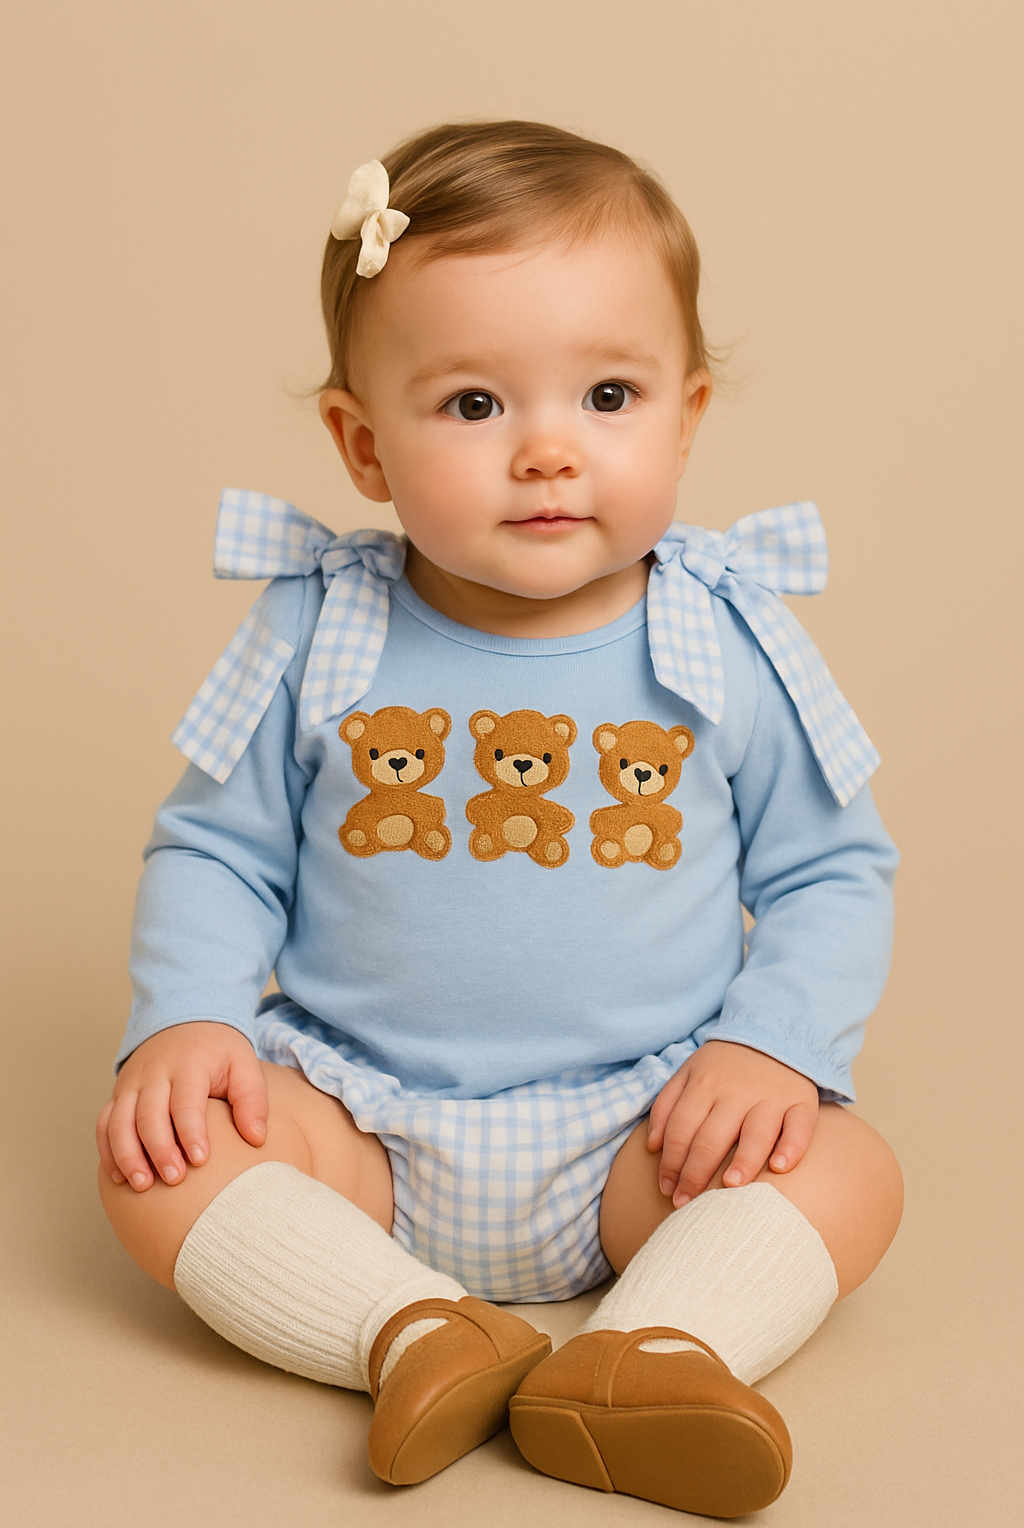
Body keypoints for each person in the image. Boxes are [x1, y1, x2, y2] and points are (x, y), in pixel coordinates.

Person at [96, 120, 903, 1518]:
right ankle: (409, 1332)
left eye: (607, 394)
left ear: (689, 413)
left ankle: (658, 1356)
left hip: (647, 1126)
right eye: (473, 406)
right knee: (154, 1161)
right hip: (357, 1119)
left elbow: (834, 871)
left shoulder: (721, 641)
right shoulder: (317, 629)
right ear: (361, 443)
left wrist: (770, 1047)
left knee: (851, 1169)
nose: (546, 451)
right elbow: (218, 852)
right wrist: (189, 1018)